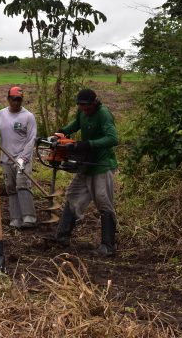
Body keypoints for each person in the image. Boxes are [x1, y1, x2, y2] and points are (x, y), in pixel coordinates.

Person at [51, 88, 119, 256]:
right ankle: (62, 236)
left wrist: (87, 144)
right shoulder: (82, 112)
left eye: (87, 106)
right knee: (73, 195)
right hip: (85, 164)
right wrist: (63, 132)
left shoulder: (104, 114)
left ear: (94, 103)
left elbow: (113, 138)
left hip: (101, 165)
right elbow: (76, 124)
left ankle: (108, 246)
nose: (84, 109)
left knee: (104, 203)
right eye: (81, 106)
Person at [0, 86, 38, 228]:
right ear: (8, 99)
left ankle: (29, 217)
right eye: (13, 99)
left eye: (19, 100)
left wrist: (23, 158)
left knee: (22, 184)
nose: (16, 102)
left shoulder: (28, 116)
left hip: (22, 158)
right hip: (6, 158)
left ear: (22, 100)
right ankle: (15, 218)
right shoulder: (1, 114)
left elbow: (31, 139)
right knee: (10, 187)